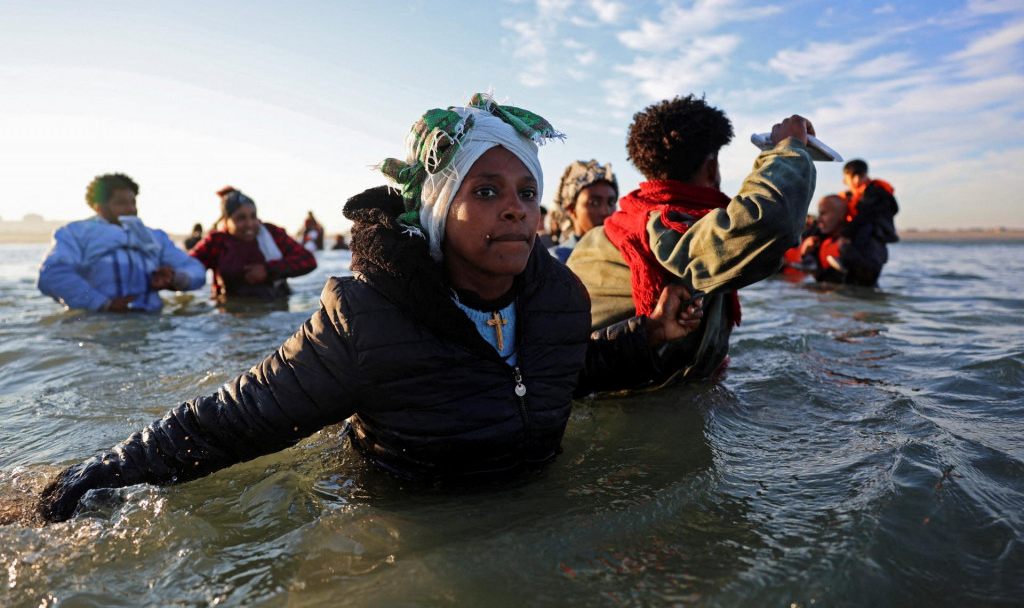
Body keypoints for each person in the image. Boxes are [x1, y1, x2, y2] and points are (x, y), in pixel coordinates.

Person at [37, 92, 703, 523]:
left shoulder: (560, 297)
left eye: (527, 191)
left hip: (535, 514)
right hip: (407, 520)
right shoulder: (368, 318)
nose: (515, 207)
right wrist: (86, 481)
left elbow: (565, 373)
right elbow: (236, 420)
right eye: (488, 189)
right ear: (441, 211)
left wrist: (647, 339)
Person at [567, 95, 817, 384]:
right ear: (712, 167)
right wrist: (787, 150)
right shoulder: (666, 231)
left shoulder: (608, 231)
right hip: (640, 406)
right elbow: (767, 221)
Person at [37, 173, 207, 313]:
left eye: (133, 202)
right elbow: (52, 274)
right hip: (99, 323)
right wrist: (104, 303)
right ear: (99, 207)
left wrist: (174, 277)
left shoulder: (154, 237)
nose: (131, 209)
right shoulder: (75, 233)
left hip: (151, 321)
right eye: (121, 203)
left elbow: (196, 270)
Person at [187, 188, 317, 299]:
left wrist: (269, 270)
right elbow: (188, 266)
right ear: (226, 221)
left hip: (274, 304)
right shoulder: (216, 241)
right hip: (230, 311)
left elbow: (308, 260)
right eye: (241, 218)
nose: (249, 224)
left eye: (253, 216)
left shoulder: (271, 233)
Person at [831, 158, 899, 285]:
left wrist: (846, 235)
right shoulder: (851, 195)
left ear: (862, 176)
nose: (854, 181)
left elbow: (864, 215)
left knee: (865, 282)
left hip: (872, 241)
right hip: (865, 242)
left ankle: (845, 261)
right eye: (849, 178)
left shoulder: (875, 192)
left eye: (858, 176)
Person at [549, 160, 618, 263]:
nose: (606, 211)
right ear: (572, 209)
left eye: (611, 202)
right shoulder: (557, 260)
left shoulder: (623, 254)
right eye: (594, 202)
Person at [799, 195, 849, 283]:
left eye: (823, 213)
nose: (818, 219)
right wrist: (805, 255)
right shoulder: (817, 242)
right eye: (819, 214)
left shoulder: (855, 242)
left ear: (841, 215)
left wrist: (849, 252)